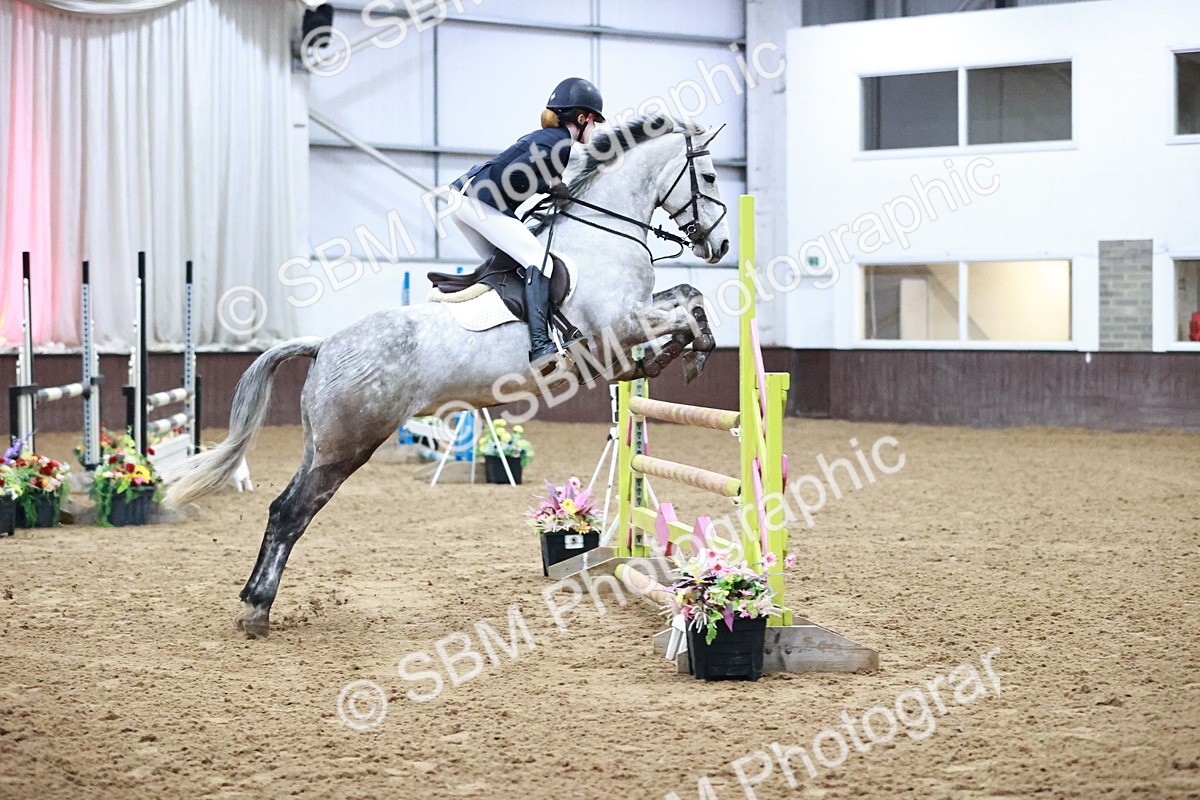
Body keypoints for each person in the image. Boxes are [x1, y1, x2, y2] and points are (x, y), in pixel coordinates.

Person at [448, 77, 604, 375]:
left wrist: (550, 183)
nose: (594, 128)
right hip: (479, 203)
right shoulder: (560, 143)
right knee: (539, 262)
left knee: (515, 266)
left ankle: (532, 335)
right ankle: (540, 346)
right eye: (594, 122)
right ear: (583, 118)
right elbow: (517, 174)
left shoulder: (548, 138)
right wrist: (549, 185)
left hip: (465, 201)